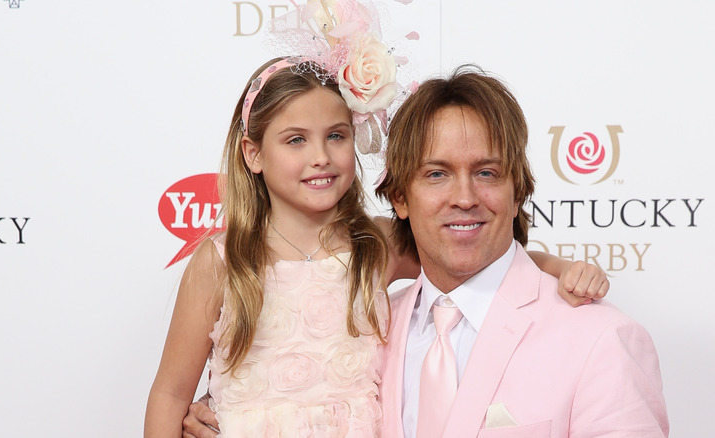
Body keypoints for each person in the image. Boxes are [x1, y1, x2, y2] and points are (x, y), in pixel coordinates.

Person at [145, 54, 608, 437]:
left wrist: (557, 266)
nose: (320, 156)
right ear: (253, 154)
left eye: (336, 136)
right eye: (296, 141)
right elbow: (169, 392)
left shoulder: (375, 243)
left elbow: (490, 262)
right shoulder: (223, 262)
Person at [374, 66, 669, 437]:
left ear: (518, 193)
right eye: (437, 174)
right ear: (400, 197)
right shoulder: (368, 333)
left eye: (486, 173)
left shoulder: (601, 339)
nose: (465, 198)